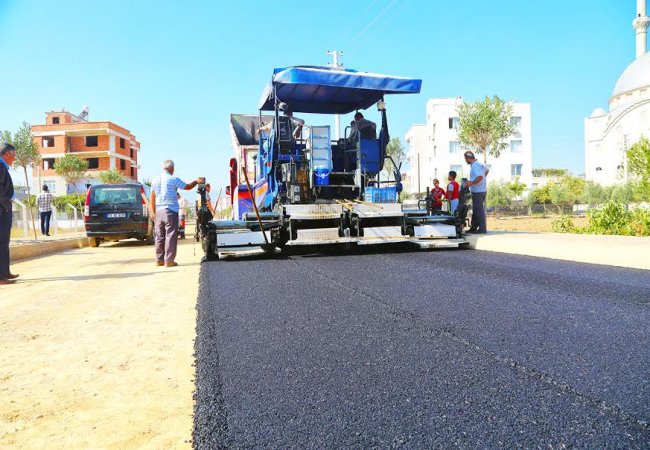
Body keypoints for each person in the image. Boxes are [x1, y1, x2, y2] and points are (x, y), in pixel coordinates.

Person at [150, 160, 204, 267]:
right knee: (170, 235)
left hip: (159, 211)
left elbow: (152, 196)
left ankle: (159, 260)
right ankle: (169, 260)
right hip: (170, 211)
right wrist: (196, 181)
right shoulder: (173, 179)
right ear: (172, 169)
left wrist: (153, 211)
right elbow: (187, 187)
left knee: (159, 236)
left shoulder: (154, 180)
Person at [0, 143, 18, 284]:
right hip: (1, 209)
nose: (14, 159)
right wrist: (7, 202)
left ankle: (5, 272)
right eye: (13, 156)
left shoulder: (3, 168)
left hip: (4, 208)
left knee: (4, 242)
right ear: (6, 154)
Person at [464, 151, 489, 233]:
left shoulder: (475, 165)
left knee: (479, 210)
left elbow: (480, 177)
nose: (465, 161)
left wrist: (471, 183)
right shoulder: (479, 164)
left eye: (465, 159)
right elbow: (486, 171)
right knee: (476, 210)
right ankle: (474, 227)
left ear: (468, 158)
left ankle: (482, 229)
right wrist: (481, 180)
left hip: (478, 191)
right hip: (481, 190)